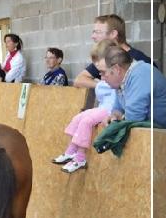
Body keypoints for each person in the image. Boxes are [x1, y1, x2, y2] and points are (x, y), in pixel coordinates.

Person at [51, 40, 119, 173]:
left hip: (109, 109)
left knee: (86, 121)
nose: (98, 70)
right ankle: (71, 151)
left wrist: (100, 84)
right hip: (103, 106)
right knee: (78, 118)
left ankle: (80, 157)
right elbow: (100, 95)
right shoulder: (104, 77)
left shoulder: (114, 77)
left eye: (99, 60)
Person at [99, 45, 166, 130]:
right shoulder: (121, 82)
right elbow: (118, 108)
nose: (102, 78)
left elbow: (134, 118)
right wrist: (114, 116)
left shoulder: (141, 73)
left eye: (103, 73)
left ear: (117, 69)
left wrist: (118, 121)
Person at [73, 14, 154, 89]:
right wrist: (106, 85)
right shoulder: (105, 57)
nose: (93, 36)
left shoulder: (141, 60)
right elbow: (79, 80)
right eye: (93, 32)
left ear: (113, 34)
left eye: (97, 32)